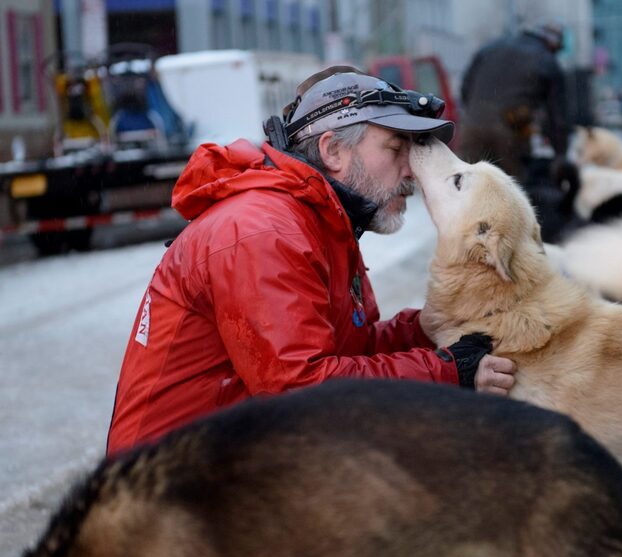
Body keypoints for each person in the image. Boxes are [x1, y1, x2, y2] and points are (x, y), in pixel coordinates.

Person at [106, 66, 517, 456]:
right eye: (395, 148)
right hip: (168, 498)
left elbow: (344, 351)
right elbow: (299, 390)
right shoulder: (263, 232)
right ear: (333, 150)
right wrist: (446, 373)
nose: (411, 169)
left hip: (227, 466)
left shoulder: (319, 223)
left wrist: (424, 330)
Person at [458, 22, 570, 181]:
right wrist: (560, 155)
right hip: (511, 130)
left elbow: (465, 88)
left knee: (467, 185)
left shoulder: (490, 47)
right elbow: (557, 117)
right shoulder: (547, 61)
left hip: (473, 128)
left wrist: (475, 115)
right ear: (554, 43)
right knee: (512, 190)